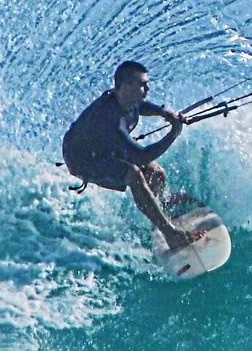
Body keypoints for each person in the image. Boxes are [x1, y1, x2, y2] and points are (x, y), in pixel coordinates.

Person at [62, 61, 200, 250]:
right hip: (82, 159)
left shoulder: (127, 99)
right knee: (134, 174)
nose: (147, 88)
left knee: (157, 174)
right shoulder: (111, 121)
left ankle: (158, 211)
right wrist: (173, 133)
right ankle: (170, 234)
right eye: (142, 84)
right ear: (125, 86)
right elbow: (142, 156)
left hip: (101, 147)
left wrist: (162, 112)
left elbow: (140, 107)